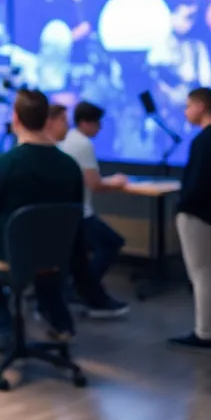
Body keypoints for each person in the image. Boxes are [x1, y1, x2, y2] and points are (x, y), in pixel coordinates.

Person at [0, 89, 82, 342]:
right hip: (52, 256)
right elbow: (74, 215)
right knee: (40, 265)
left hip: (8, 255)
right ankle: (61, 324)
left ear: (16, 119)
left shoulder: (3, 164)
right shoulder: (70, 166)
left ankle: (5, 331)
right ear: (47, 120)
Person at [170, 86, 211, 351]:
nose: (186, 112)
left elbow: (197, 182)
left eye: (188, 106)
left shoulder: (204, 140)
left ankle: (204, 332)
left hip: (198, 214)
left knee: (200, 274)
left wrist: (182, 206)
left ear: (200, 106)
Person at [57, 101, 131, 317]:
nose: (99, 128)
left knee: (78, 256)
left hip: (67, 211)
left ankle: (80, 288)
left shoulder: (67, 141)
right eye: (97, 123)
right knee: (111, 243)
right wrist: (116, 182)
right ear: (85, 123)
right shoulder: (83, 145)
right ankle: (84, 288)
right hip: (81, 212)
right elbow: (95, 184)